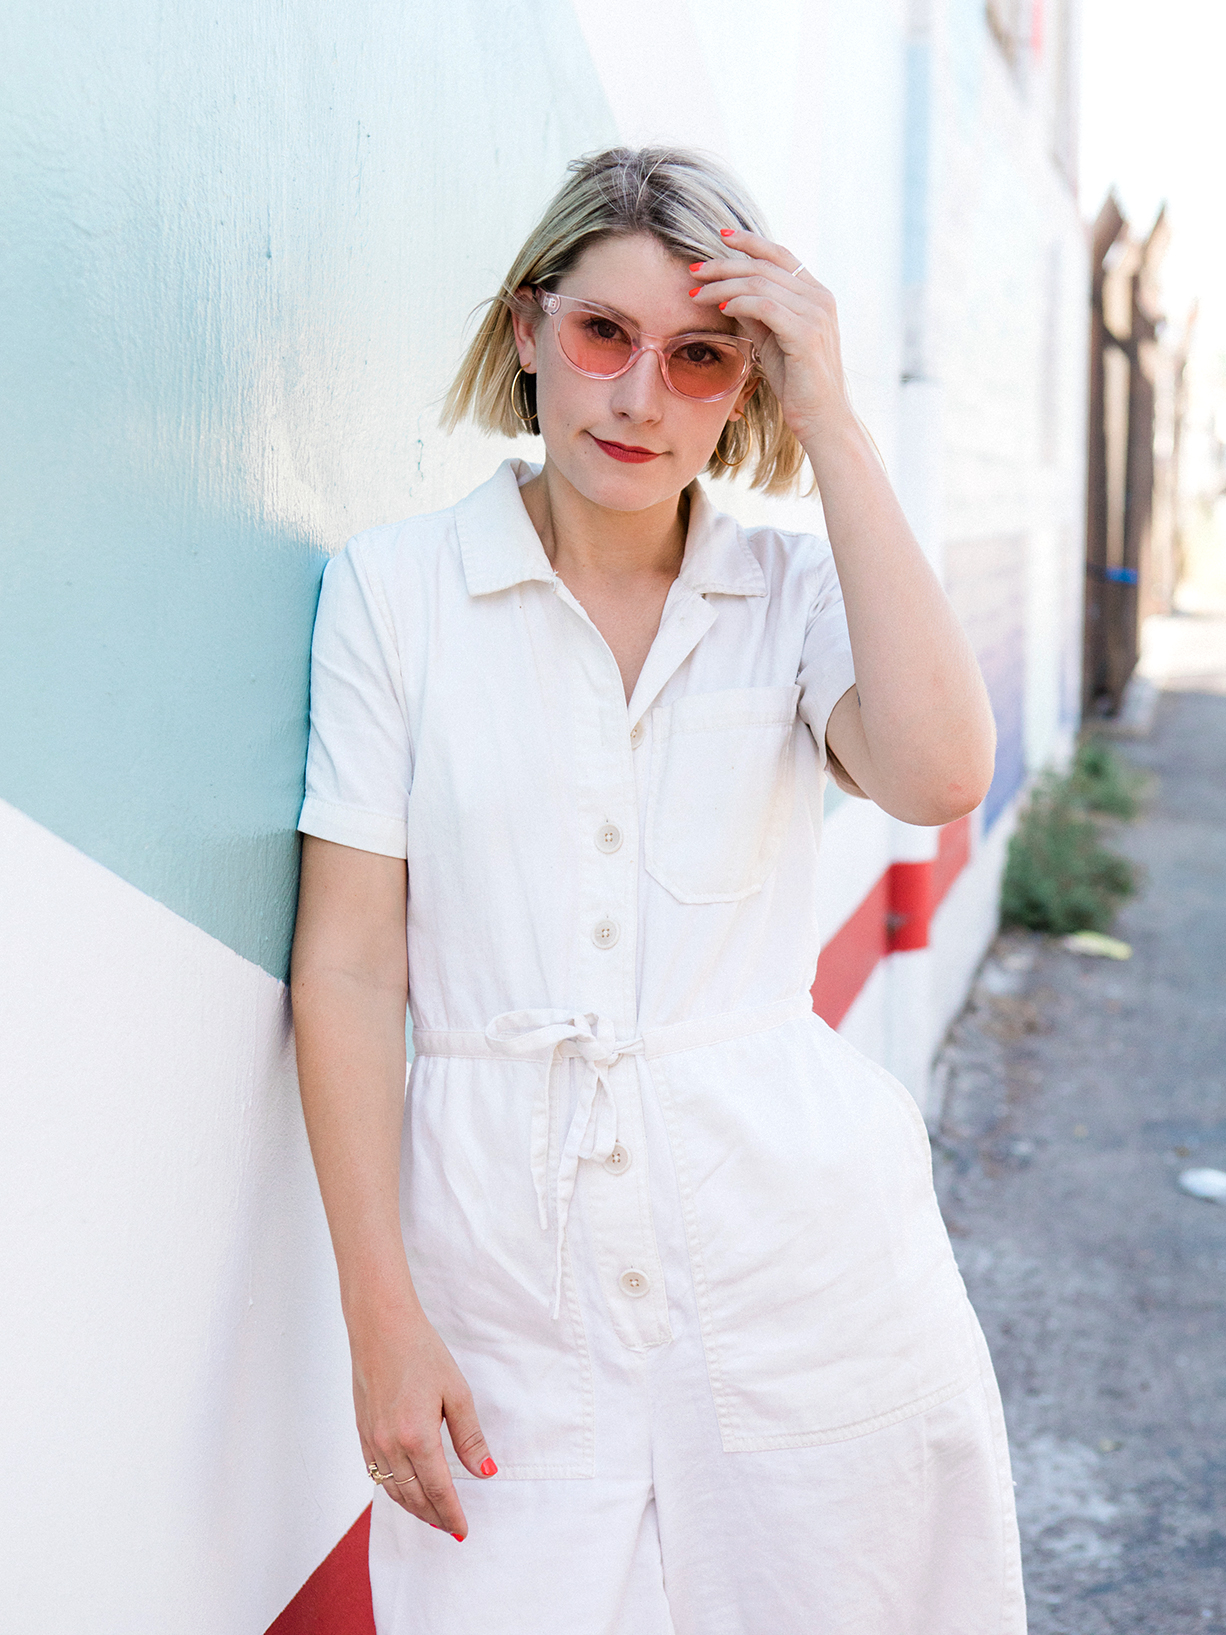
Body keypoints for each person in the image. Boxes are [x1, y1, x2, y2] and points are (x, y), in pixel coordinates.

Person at [290, 146, 1025, 1634]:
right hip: (505, 1269)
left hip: (795, 1259)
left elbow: (940, 775)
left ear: (743, 387)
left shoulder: (795, 597)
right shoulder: (398, 592)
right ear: (524, 328)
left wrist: (827, 413)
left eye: (702, 359)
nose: (640, 397)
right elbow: (353, 969)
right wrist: (379, 1318)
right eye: (602, 335)